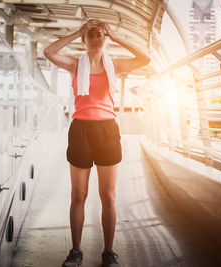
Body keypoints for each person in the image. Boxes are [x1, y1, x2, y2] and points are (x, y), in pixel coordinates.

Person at [44, 19, 150, 267]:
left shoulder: (115, 65)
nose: (96, 37)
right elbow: (48, 52)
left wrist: (115, 34)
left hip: (107, 131)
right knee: (78, 195)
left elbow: (144, 59)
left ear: (105, 38)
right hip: (81, 129)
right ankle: (76, 251)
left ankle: (108, 252)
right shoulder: (74, 65)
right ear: (85, 39)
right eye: (90, 34)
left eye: (99, 34)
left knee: (109, 196)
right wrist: (76, 32)